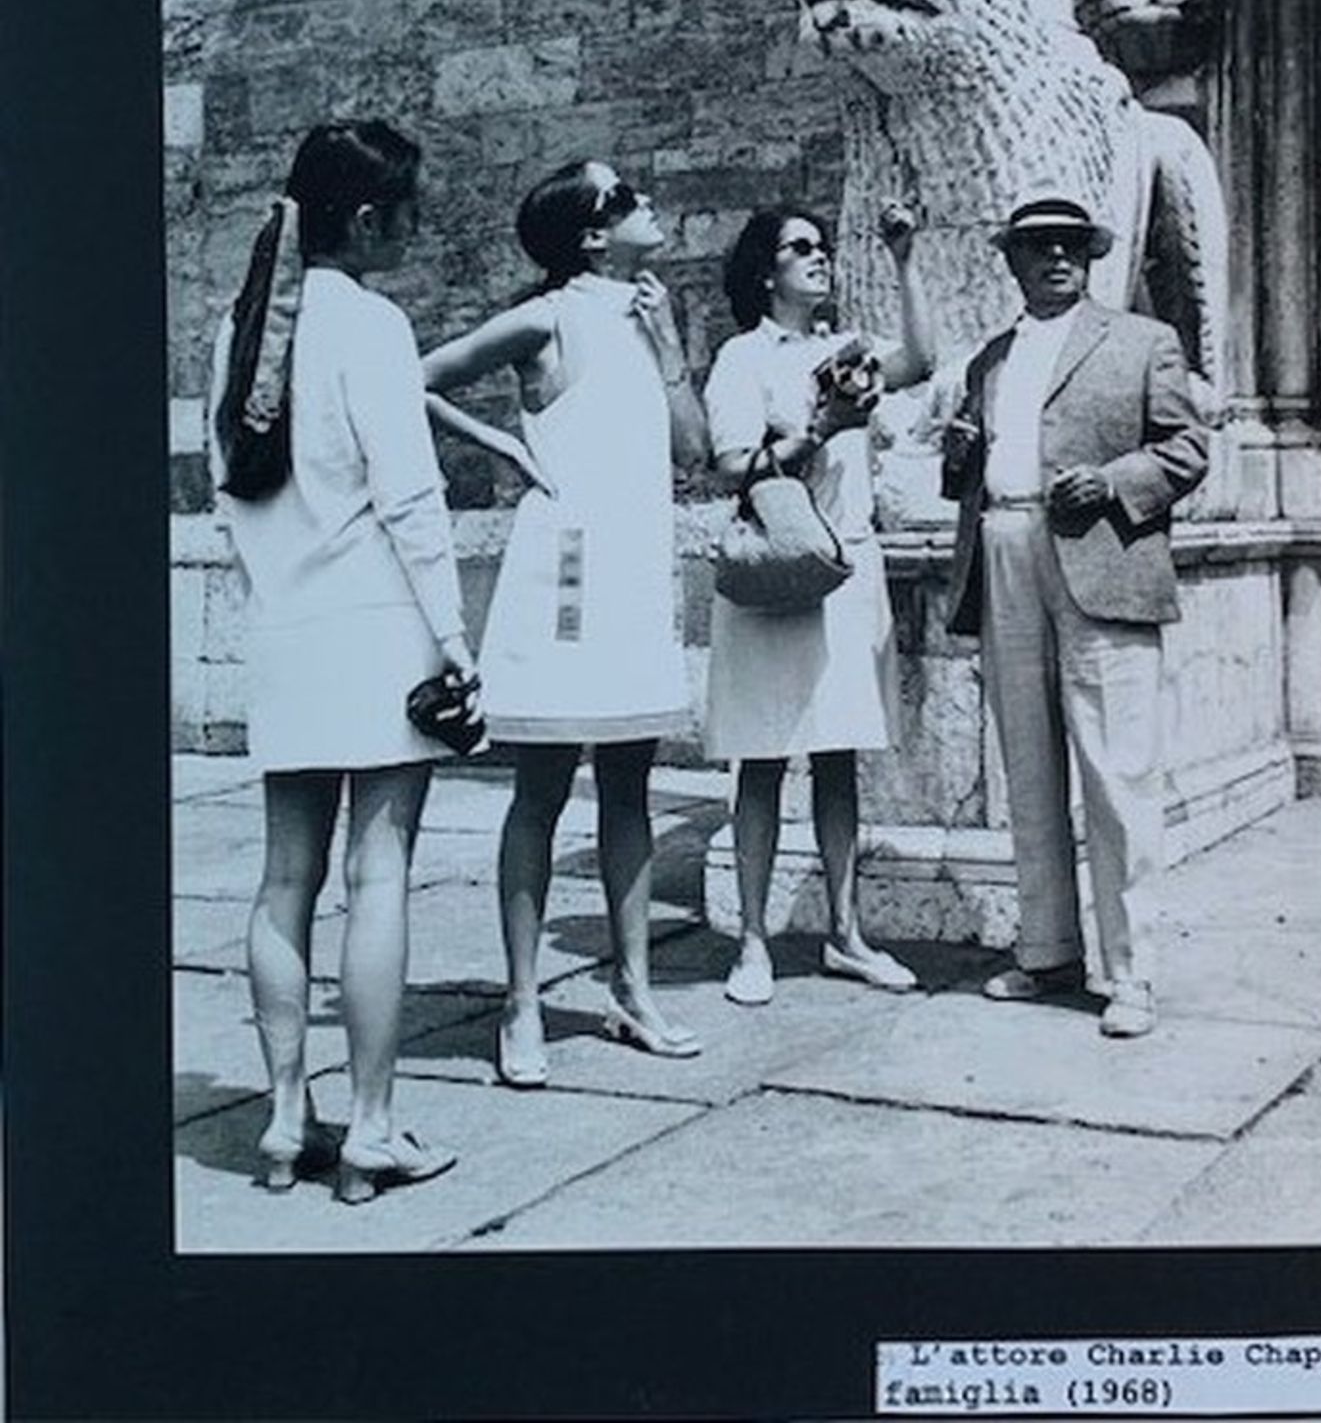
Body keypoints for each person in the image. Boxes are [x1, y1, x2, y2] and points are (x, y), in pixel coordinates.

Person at [209, 120, 474, 1204]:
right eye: (406, 213)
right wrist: (455, 640)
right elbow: (412, 501)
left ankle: (283, 1121)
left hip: (285, 628)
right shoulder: (370, 324)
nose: (414, 231)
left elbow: (228, 487)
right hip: (379, 625)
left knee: (285, 879)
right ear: (366, 220)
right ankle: (371, 1125)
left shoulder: (238, 327)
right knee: (380, 876)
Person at [421, 160, 708, 1084]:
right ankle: (520, 1002)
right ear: (591, 233)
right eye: (625, 198)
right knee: (541, 792)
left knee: (630, 790)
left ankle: (634, 991)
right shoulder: (547, 317)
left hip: (633, 572)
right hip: (565, 573)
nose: (648, 203)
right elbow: (413, 377)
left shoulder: (646, 313)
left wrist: (670, 349)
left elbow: (694, 450)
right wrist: (503, 440)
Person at [941, 196, 1209, 1038]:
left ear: (1089, 257)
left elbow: (1187, 448)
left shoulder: (1140, 340)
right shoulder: (989, 358)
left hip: (1102, 554)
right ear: (1012, 262)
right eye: (1037, 247)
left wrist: (1117, 480)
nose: (1056, 259)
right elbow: (968, 473)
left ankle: (1131, 973)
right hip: (1004, 544)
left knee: (1117, 769)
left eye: (1070, 246)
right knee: (1028, 765)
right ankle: (1046, 949)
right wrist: (961, 460)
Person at [703, 201, 935, 1005]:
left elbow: (921, 362)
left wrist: (905, 257)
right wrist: (818, 428)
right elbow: (731, 465)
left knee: (839, 758)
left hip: (848, 562)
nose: (819, 257)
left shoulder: (849, 348)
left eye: (823, 246)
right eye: (800, 248)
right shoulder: (741, 357)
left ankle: (846, 931)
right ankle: (754, 943)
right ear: (766, 271)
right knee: (762, 758)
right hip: (776, 563)